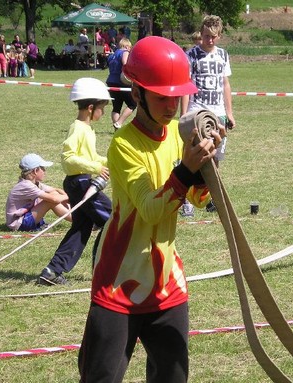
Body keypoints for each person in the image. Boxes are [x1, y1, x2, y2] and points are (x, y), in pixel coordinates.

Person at [78, 36, 222, 383]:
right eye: (162, 96)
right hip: (118, 286)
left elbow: (200, 201)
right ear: (138, 93)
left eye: (177, 96)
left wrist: (207, 165)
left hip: (166, 284)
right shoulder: (124, 145)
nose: (172, 105)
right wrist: (186, 169)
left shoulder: (178, 133)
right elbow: (151, 209)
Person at [37, 77, 112, 286]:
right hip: (80, 184)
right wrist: (95, 168)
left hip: (81, 182)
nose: (103, 113)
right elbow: (68, 158)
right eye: (102, 108)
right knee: (114, 220)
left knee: (82, 227)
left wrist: (113, 161)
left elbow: (91, 157)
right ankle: (102, 270)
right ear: (90, 108)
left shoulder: (87, 129)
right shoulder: (78, 128)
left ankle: (52, 271)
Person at [181, 14, 235, 215]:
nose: (209, 40)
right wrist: (184, 115)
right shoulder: (191, 55)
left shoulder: (223, 55)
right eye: (205, 36)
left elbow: (225, 84)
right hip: (198, 113)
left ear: (219, 36)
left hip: (218, 113)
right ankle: (187, 201)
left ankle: (212, 199)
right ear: (201, 34)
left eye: (213, 36)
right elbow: (186, 87)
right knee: (195, 157)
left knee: (215, 158)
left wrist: (229, 113)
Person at [5, 153, 71, 232]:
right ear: (35, 171)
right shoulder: (26, 186)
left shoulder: (34, 183)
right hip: (19, 224)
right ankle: (81, 221)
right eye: (42, 168)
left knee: (54, 194)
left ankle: (77, 214)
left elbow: (55, 190)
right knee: (49, 201)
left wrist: (66, 197)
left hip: (26, 218)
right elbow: (54, 199)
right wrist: (70, 197)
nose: (44, 171)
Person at [106, 38, 136, 131]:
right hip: (121, 82)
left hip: (111, 81)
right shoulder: (125, 52)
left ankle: (116, 128)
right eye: (130, 47)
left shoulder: (112, 55)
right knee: (132, 104)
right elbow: (125, 63)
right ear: (127, 46)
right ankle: (119, 123)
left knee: (116, 107)